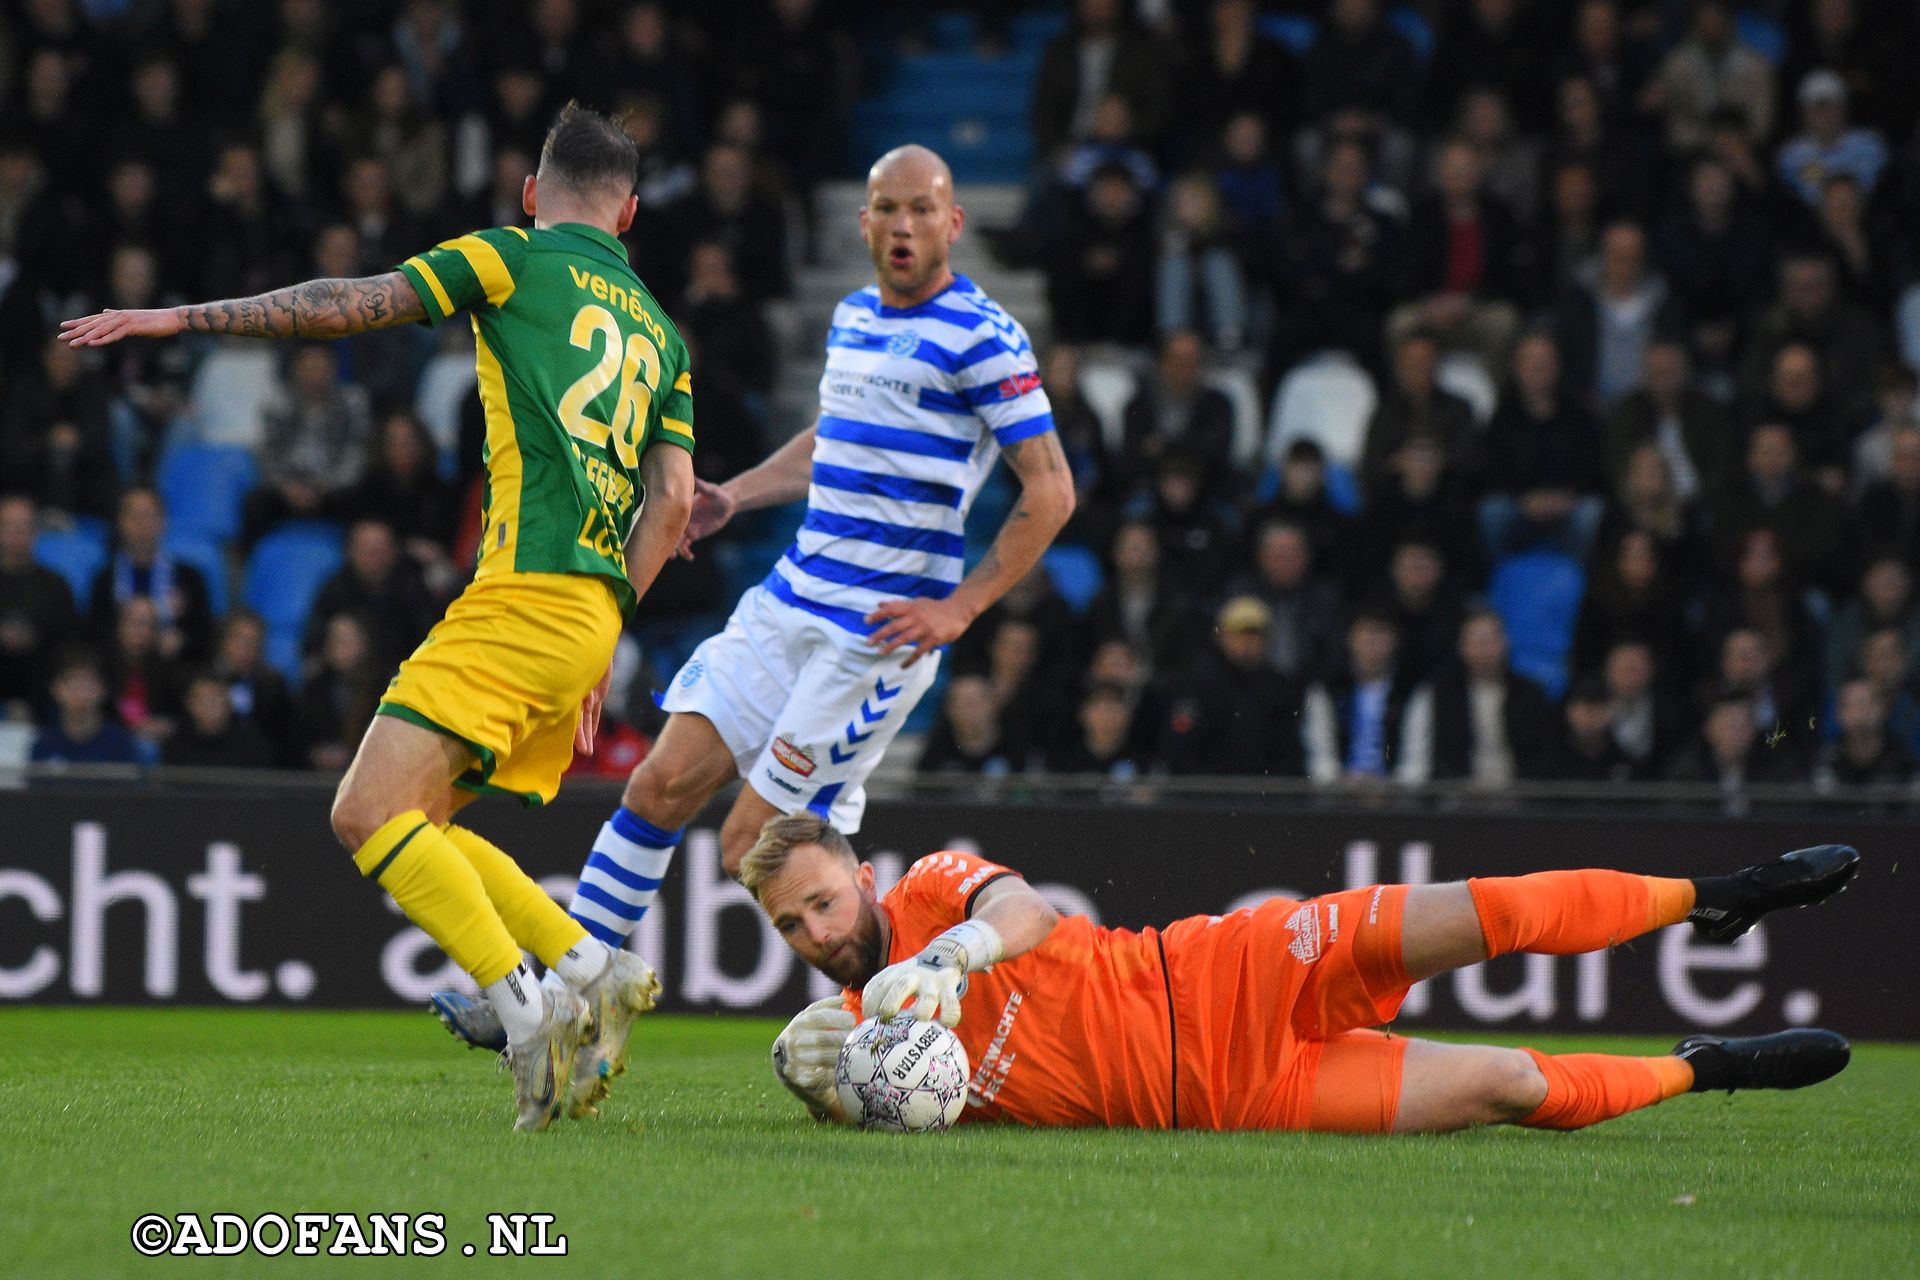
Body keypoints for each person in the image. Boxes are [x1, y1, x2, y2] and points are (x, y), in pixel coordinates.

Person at [62, 104, 694, 1133]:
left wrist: (180, 320)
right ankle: (596, 966)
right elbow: (671, 505)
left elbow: (352, 303)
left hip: (522, 589)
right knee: (426, 817)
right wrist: (599, 642)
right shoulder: (664, 336)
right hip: (590, 609)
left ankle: (528, 1012)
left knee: (363, 813)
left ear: (534, 194)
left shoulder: (510, 256)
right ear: (627, 213)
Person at [427, 146, 1074, 1093]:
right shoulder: (855, 318)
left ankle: (896, 1025)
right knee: (654, 786)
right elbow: (834, 441)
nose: (903, 226)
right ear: (862, 222)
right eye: (886, 208)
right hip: (789, 601)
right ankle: (582, 997)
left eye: (923, 211)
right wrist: (739, 493)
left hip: (872, 639)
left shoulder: (982, 335)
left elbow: (1050, 490)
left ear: (953, 223)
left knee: (752, 848)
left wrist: (963, 605)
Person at [750, 812, 1856, 1133]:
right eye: (791, 921)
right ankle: (1705, 1067)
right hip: (1236, 1099)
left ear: (860, 870)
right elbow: (889, 1111)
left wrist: (954, 953)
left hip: (1230, 970)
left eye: (823, 896)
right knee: (1511, 1083)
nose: (815, 926)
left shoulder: (939, 888)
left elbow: (1025, 908)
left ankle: (1719, 892)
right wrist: (820, 1090)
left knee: (1496, 910)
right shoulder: (870, 1036)